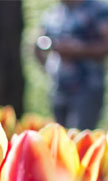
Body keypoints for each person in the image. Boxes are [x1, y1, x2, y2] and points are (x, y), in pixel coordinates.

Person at [36, 0, 108, 130]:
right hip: (58, 88)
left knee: (82, 134)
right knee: (59, 135)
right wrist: (47, 66)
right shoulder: (53, 13)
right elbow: (38, 43)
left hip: (87, 88)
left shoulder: (98, 9)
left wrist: (78, 50)